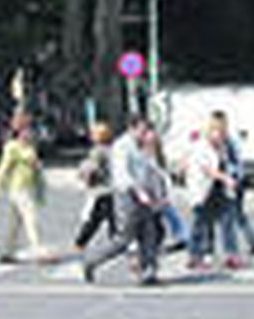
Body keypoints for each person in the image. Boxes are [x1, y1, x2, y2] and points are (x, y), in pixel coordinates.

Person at [84, 117, 169, 286]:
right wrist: (138, 192)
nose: (145, 134)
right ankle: (92, 261)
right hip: (127, 196)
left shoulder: (144, 146)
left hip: (145, 195)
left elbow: (152, 171)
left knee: (149, 233)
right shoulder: (122, 146)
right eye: (142, 130)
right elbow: (122, 174)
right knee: (124, 238)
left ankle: (149, 272)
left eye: (146, 130)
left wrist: (158, 195)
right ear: (132, 128)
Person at [0, 112, 50, 263]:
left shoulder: (30, 147)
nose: (31, 133)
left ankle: (7, 251)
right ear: (20, 131)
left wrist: (40, 190)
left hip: (28, 187)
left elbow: (36, 171)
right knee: (31, 218)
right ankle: (38, 250)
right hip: (18, 188)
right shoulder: (12, 147)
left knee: (15, 222)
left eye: (31, 130)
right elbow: (3, 168)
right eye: (28, 130)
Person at [187, 119, 242, 270]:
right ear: (210, 132)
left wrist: (233, 175)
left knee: (227, 223)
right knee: (201, 224)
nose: (221, 136)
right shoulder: (201, 147)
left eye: (223, 133)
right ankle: (195, 255)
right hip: (204, 189)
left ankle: (231, 254)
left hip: (220, 191)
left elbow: (227, 164)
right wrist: (226, 179)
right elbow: (207, 169)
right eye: (218, 132)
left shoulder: (222, 147)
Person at [211, 111, 254, 258]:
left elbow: (236, 162)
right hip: (231, 181)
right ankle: (252, 242)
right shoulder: (227, 140)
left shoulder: (228, 142)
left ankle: (235, 247)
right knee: (237, 215)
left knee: (229, 217)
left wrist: (234, 177)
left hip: (232, 182)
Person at [73, 123, 117, 251]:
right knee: (111, 216)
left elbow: (92, 168)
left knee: (97, 217)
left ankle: (81, 242)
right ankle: (114, 240)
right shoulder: (112, 149)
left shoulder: (97, 151)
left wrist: (83, 176)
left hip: (102, 189)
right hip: (113, 188)